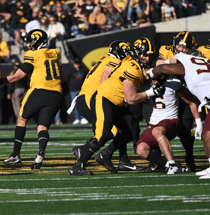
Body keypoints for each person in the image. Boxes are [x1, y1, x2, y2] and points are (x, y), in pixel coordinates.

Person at [70, 37, 165, 176]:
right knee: (103, 134)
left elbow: (143, 72)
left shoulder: (133, 63)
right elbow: (131, 99)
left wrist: (151, 77)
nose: (147, 58)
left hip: (115, 102)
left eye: (150, 55)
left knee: (130, 129)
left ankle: (107, 155)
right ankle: (78, 166)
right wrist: (151, 92)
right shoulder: (130, 67)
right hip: (104, 99)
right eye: (145, 54)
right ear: (137, 53)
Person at [0, 29, 64, 169]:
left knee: (22, 120)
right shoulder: (56, 53)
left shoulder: (32, 54)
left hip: (38, 91)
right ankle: (40, 155)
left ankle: (16, 154)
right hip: (56, 94)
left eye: (30, 41)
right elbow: (62, 76)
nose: (28, 45)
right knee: (42, 126)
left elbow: (17, 76)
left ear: (36, 42)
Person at [150, 50, 210, 179]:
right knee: (206, 136)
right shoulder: (204, 63)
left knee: (205, 136)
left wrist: (151, 73)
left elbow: (162, 67)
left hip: (203, 101)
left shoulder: (188, 65)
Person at [136, 76, 201, 174]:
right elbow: (134, 97)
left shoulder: (173, 84)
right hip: (154, 123)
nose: (153, 81)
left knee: (157, 131)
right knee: (141, 149)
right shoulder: (149, 85)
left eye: (155, 78)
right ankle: (167, 164)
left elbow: (192, 103)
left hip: (170, 120)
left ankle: (172, 165)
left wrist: (199, 122)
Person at [155, 31, 198, 172]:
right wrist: (169, 61)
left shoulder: (195, 55)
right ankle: (157, 160)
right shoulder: (166, 50)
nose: (183, 50)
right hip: (168, 96)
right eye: (181, 46)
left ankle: (189, 159)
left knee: (186, 129)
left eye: (186, 48)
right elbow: (158, 63)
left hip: (185, 94)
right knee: (158, 127)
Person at [65, 58, 87, 125]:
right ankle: (77, 118)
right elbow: (66, 79)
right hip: (73, 91)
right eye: (76, 63)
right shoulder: (70, 70)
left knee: (82, 104)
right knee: (75, 105)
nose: (77, 65)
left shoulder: (83, 70)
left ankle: (83, 118)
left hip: (81, 90)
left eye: (78, 63)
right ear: (73, 63)